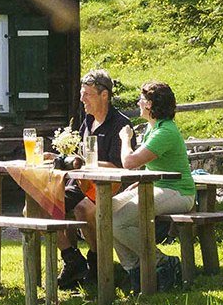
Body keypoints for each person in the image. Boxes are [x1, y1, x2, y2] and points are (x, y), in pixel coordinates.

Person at [53, 69, 134, 288]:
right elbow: (79, 155)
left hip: (109, 186)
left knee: (83, 209)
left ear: (104, 95)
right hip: (80, 183)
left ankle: (99, 264)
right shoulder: (87, 121)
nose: (82, 99)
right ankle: (72, 261)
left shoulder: (121, 124)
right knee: (42, 204)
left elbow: (121, 166)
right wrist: (61, 157)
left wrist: (89, 163)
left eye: (87, 94)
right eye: (82, 94)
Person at [113, 80, 195, 291]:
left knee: (118, 222)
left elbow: (129, 163)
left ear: (149, 104)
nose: (139, 103)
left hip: (178, 191)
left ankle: (162, 262)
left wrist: (125, 139)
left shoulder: (164, 132)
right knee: (105, 212)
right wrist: (141, 183)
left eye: (141, 99)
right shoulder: (153, 129)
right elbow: (155, 166)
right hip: (157, 186)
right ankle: (136, 271)